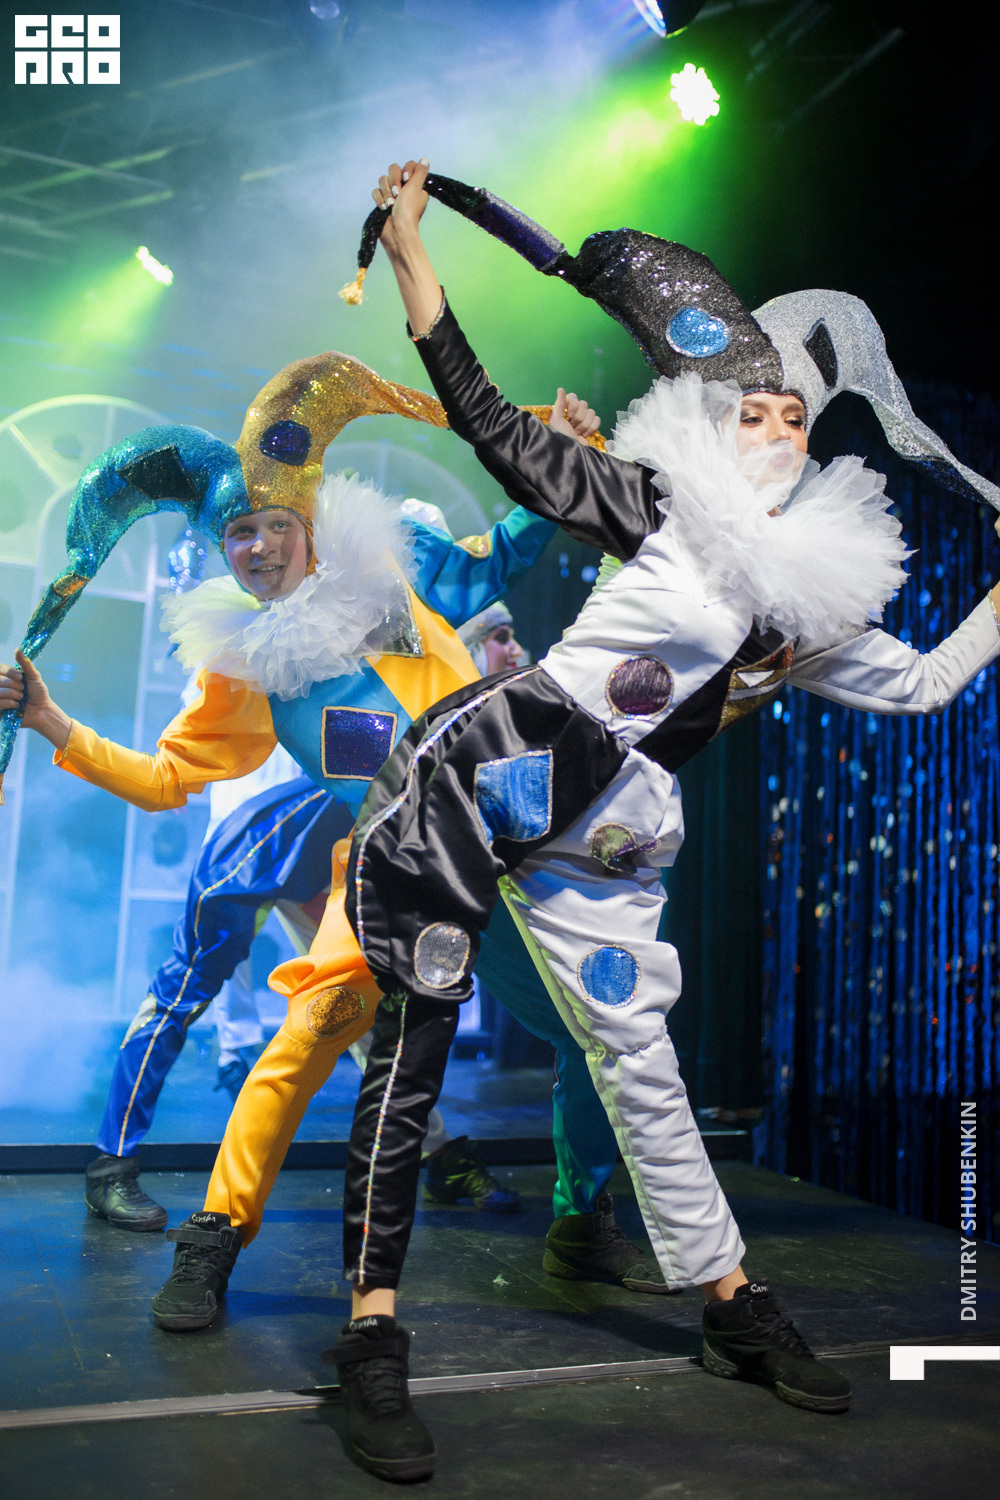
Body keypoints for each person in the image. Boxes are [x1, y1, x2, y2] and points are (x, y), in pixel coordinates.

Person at [319, 159, 1000, 1483]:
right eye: (754, 409)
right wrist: (411, 258)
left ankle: (731, 1305)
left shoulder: (808, 606)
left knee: (642, 1066)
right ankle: (372, 1333)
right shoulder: (656, 511)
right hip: (484, 783)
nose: (778, 427)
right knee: (418, 1042)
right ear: (712, 423)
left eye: (796, 415)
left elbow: (922, 684)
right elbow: (492, 427)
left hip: (611, 840)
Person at [0, 347, 662, 1330]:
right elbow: (167, 778)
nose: (259, 546)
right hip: (398, 869)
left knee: (593, 1028)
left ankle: (582, 1220)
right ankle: (214, 1237)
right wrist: (53, 722)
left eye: (276, 525)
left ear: (309, 525)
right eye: (239, 533)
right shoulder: (247, 670)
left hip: (513, 852)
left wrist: (561, 449)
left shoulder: (397, 571)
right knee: (306, 1038)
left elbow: (507, 550)